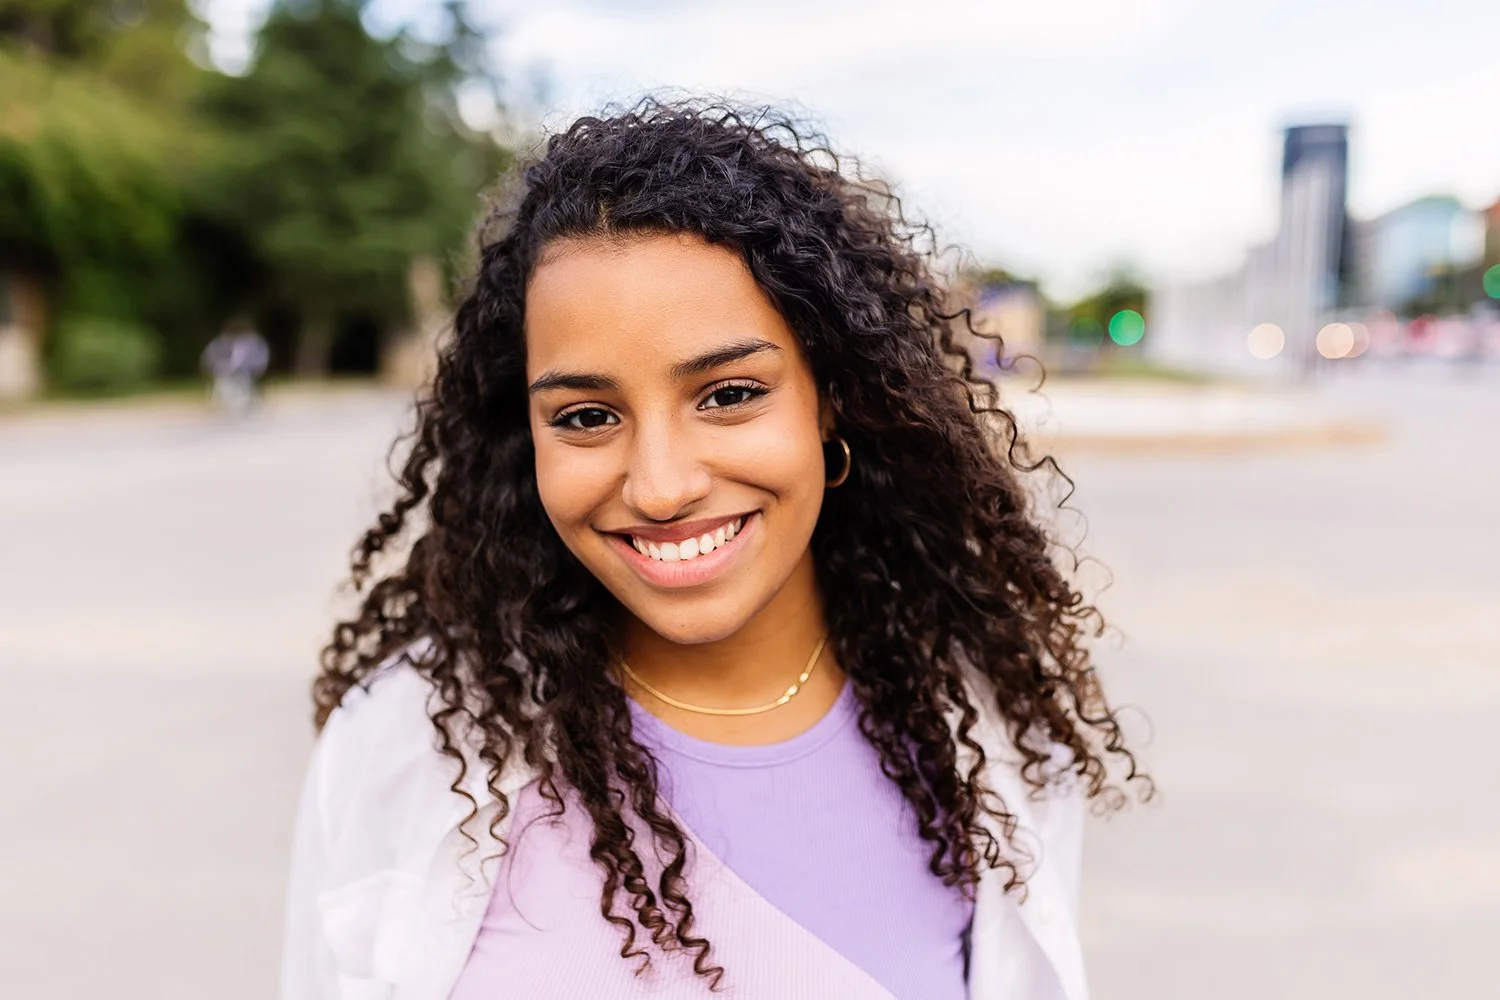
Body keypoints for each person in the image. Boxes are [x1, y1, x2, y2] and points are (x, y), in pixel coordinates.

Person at [281, 100, 1149, 1000]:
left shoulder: (985, 740)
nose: (659, 487)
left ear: (831, 398)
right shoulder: (406, 740)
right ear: (525, 435)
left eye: (729, 394)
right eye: (585, 417)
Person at [201, 317, 269, 416]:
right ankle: (224, 401)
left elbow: (245, 360)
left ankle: (245, 401)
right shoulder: (218, 345)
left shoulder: (249, 344)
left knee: (239, 380)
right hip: (231, 371)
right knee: (225, 379)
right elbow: (209, 359)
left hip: (248, 370)